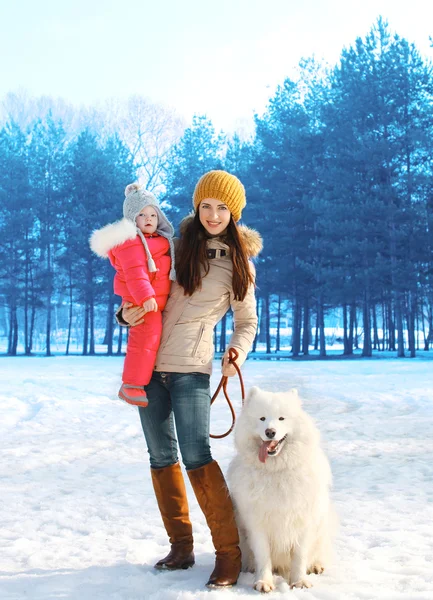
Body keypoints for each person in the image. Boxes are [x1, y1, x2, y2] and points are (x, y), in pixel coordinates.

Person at [121, 170, 262, 588]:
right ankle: (181, 547)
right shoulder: (172, 247)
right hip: (148, 371)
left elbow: (246, 322)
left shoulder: (240, 265)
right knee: (160, 457)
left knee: (197, 455)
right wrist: (124, 312)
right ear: (196, 208)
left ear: (233, 213)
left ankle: (228, 554)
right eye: (206, 206)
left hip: (192, 370)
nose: (213, 214)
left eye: (222, 208)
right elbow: (138, 288)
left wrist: (236, 352)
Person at [90, 183, 176, 407]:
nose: (148, 218)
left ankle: (135, 383)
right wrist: (146, 297)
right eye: (141, 215)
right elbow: (135, 273)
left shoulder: (161, 243)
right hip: (143, 302)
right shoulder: (132, 243)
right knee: (144, 340)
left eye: (153, 214)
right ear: (131, 219)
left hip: (155, 303)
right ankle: (132, 384)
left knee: (148, 339)